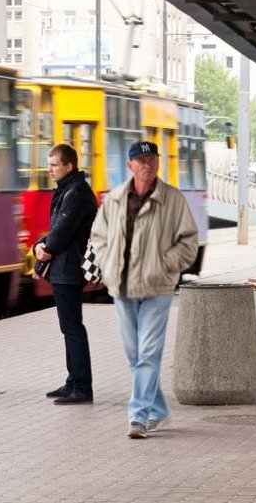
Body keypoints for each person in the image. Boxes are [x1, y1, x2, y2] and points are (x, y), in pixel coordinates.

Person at [89, 141, 198, 439]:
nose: (148, 164)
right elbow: (98, 237)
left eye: (152, 159)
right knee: (133, 355)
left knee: (148, 354)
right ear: (130, 165)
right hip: (122, 288)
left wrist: (163, 265)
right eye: (142, 160)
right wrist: (107, 263)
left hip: (157, 288)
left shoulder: (172, 199)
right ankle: (159, 411)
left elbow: (189, 242)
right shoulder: (114, 199)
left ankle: (138, 416)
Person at [33, 143, 99, 405]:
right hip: (64, 266)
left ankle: (82, 387)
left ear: (68, 166)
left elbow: (62, 230)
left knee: (72, 328)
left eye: (54, 165)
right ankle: (73, 380)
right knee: (68, 327)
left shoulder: (76, 193)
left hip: (69, 267)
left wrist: (45, 248)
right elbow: (58, 227)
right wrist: (40, 245)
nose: (49, 170)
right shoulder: (69, 189)